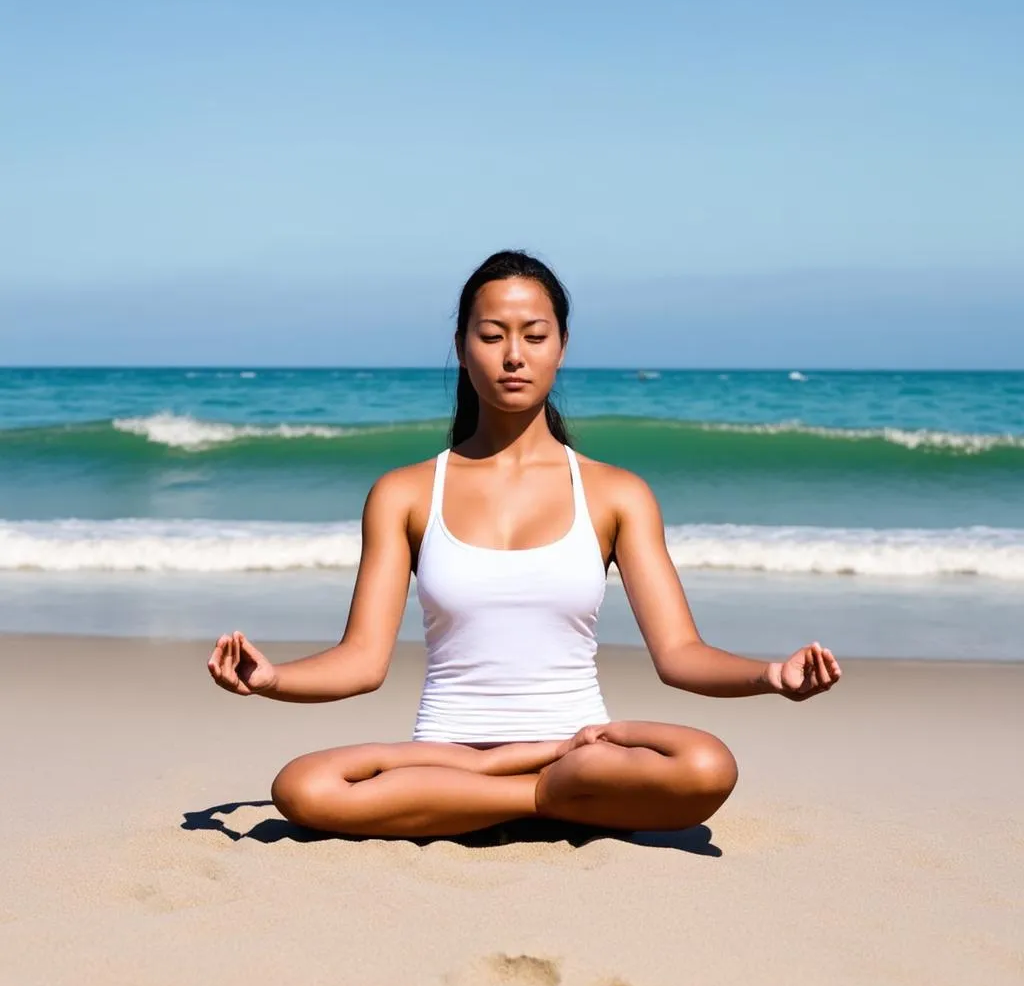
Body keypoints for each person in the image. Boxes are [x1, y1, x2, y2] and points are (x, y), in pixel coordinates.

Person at [207, 250, 842, 839]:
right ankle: (535, 794)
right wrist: (273, 679)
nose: (514, 355)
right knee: (301, 786)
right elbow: (362, 661)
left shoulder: (616, 493)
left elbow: (680, 654)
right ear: (460, 348)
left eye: (535, 335)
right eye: (492, 335)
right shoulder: (403, 493)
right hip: (446, 755)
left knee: (706, 765)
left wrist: (771, 676)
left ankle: (522, 788)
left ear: (561, 347)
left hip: (581, 754)